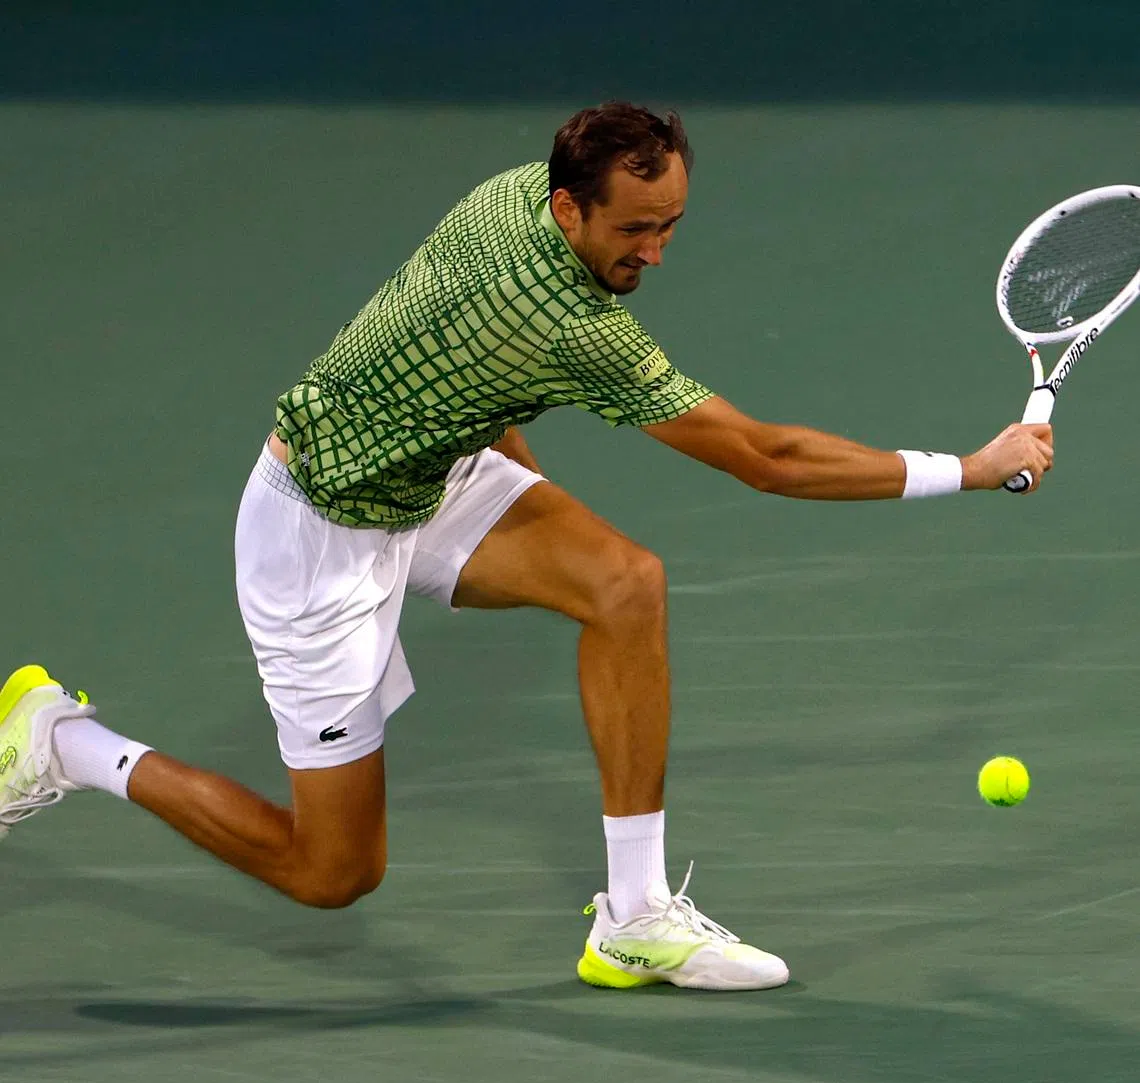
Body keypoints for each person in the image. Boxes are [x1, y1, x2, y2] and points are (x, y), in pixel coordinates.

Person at [0, 102, 1053, 992]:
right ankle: (65, 744)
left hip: (430, 473)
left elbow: (470, 369)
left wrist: (528, 504)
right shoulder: (569, 323)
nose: (655, 252)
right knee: (330, 873)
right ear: (569, 208)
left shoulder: (513, 196)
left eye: (672, 225)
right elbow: (763, 458)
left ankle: (634, 918)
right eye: (635, 230)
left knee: (624, 584)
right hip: (317, 534)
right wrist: (969, 466)